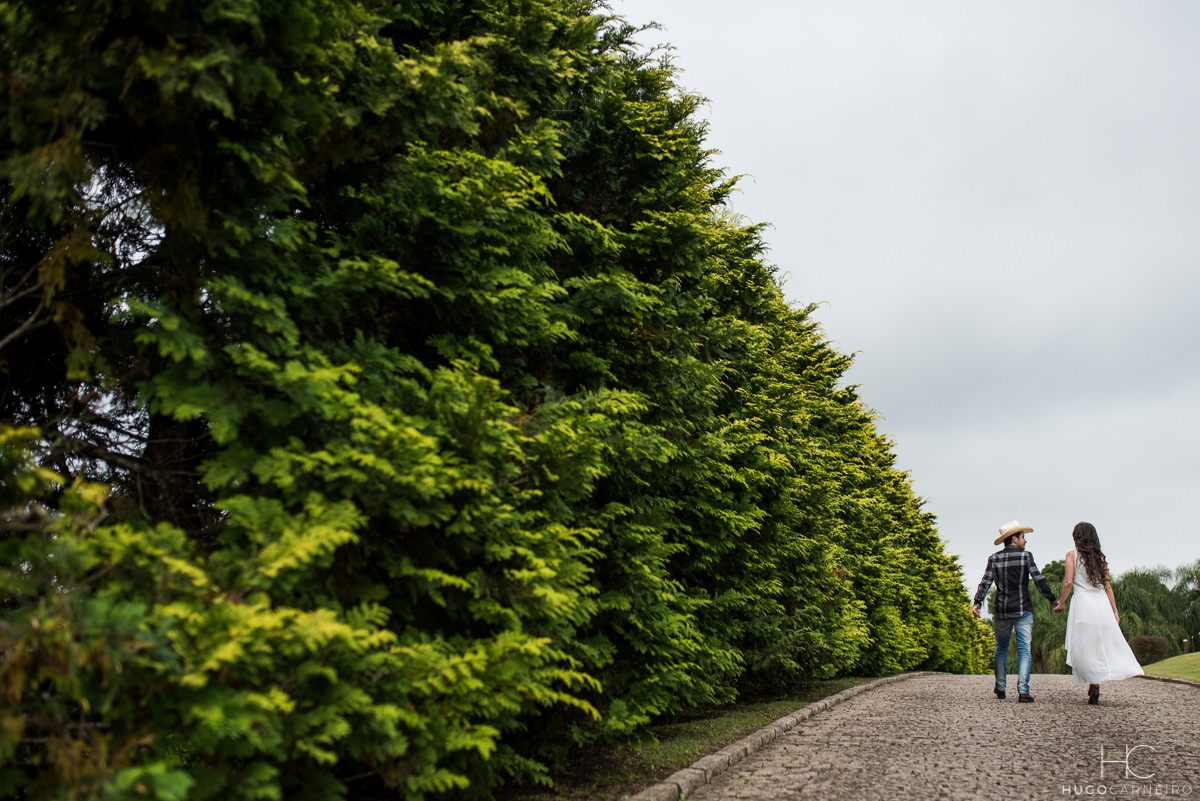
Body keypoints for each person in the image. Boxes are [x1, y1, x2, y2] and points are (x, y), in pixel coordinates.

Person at [1052, 521, 1143, 703]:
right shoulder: (1100, 559)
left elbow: (1068, 582)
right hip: (1101, 606)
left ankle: (1092, 680)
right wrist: (1114, 611)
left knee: (1084, 648)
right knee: (1098, 647)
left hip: (1083, 606)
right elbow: (1107, 586)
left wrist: (1061, 603)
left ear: (1077, 538)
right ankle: (1095, 683)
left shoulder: (1072, 556)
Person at [972, 520, 1060, 702]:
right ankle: (1023, 691)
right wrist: (1053, 600)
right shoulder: (1025, 557)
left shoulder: (994, 559)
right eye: (1023, 537)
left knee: (1001, 649)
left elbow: (986, 582)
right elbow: (1039, 580)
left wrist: (977, 603)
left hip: (1002, 611)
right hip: (1023, 611)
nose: (1025, 541)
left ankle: (1001, 688)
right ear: (1014, 539)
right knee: (1024, 650)